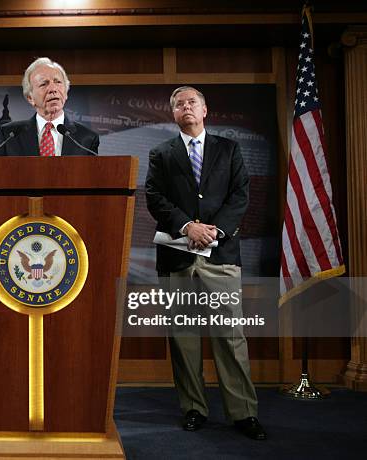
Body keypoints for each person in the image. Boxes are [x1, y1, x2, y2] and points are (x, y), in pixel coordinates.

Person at [145, 86, 266, 440]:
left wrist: (214, 232)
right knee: (184, 339)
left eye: (191, 102)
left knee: (230, 337)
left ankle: (243, 413)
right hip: (177, 257)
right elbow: (154, 196)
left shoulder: (229, 150)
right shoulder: (161, 153)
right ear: (173, 114)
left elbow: (240, 194)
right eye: (179, 103)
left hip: (221, 256)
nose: (186, 107)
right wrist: (187, 226)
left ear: (205, 109)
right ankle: (194, 409)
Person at [0, 57, 99, 156]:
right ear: (30, 98)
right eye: (44, 84)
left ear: (66, 92)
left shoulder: (87, 138)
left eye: (58, 82)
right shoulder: (9, 135)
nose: (53, 89)